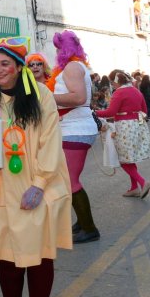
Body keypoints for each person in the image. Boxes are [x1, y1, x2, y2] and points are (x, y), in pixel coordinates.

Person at [0, 37, 71, 297]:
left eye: (5, 63)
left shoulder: (41, 95)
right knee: (8, 255)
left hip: (36, 185)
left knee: (39, 255)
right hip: (0, 186)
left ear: (19, 67)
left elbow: (50, 142)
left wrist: (39, 185)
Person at [47, 30, 100, 244]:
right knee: (68, 179)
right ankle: (82, 223)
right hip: (73, 128)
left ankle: (89, 228)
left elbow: (79, 97)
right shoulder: (75, 66)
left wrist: (45, 97)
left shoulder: (71, 67)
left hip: (75, 129)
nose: (57, 51)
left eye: (59, 47)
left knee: (69, 181)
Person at [96, 70, 150, 198]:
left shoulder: (119, 92)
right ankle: (134, 188)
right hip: (138, 126)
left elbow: (111, 111)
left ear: (116, 81)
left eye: (112, 82)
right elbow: (144, 110)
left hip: (124, 127)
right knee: (130, 157)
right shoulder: (136, 91)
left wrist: (95, 112)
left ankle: (142, 182)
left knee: (123, 159)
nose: (112, 85)